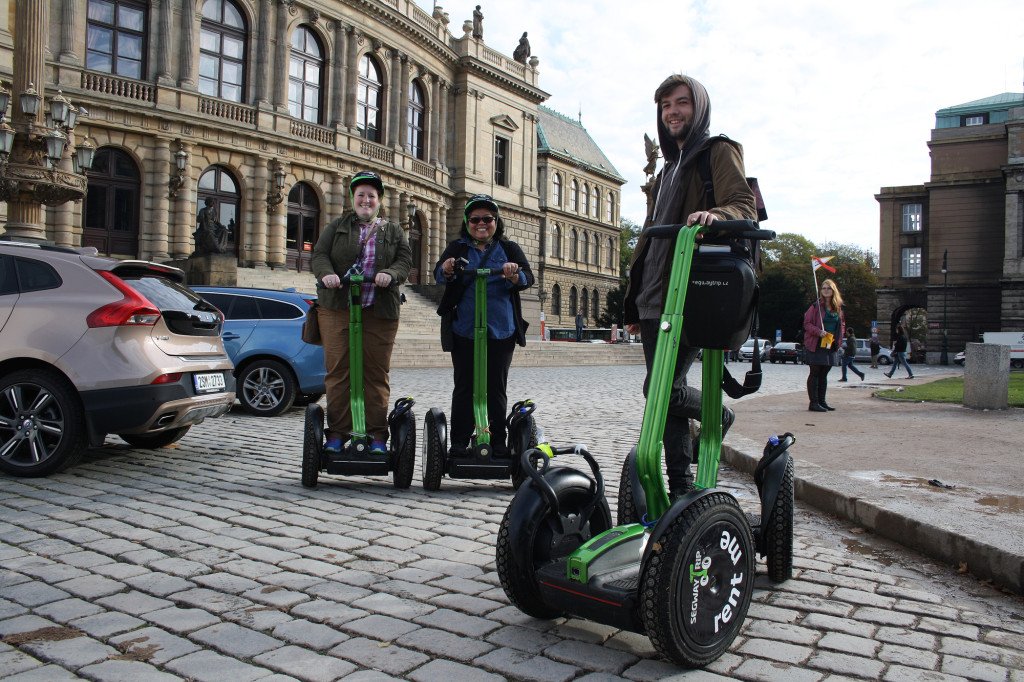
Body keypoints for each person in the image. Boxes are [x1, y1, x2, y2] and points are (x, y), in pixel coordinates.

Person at [622, 74, 757, 498]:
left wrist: (715, 215)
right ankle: (680, 489)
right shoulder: (665, 172)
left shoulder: (716, 151)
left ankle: (717, 417)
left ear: (698, 107)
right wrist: (633, 303)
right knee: (665, 405)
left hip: (690, 292)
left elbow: (744, 204)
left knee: (660, 389)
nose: (673, 112)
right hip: (652, 296)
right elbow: (649, 236)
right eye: (665, 106)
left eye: (681, 103)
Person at [312, 171, 412, 454]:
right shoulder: (337, 226)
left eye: (371, 195)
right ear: (353, 199)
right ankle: (338, 433)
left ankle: (377, 435)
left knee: (375, 373)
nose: (366, 200)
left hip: (379, 309)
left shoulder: (393, 231)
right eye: (361, 195)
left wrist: (390, 274)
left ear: (379, 200)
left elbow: (405, 260)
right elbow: (319, 254)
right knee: (339, 371)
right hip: (338, 308)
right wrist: (328, 274)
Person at [435, 195, 533, 457]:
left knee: (496, 387)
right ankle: (458, 443)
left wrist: (514, 274)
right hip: (465, 328)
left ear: (495, 222)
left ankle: (498, 443)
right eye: (475, 219)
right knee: (465, 385)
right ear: (467, 222)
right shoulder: (457, 248)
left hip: (501, 329)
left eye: (487, 219)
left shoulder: (508, 248)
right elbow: (438, 275)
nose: (481, 223)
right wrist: (445, 268)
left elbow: (527, 278)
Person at [803, 278, 846, 412]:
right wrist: (818, 332)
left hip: (830, 344)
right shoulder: (815, 306)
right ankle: (813, 403)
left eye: (828, 288)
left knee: (824, 373)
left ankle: (822, 401)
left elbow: (842, 325)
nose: (826, 290)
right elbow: (807, 324)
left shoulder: (838, 307)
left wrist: (838, 341)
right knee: (815, 372)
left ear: (833, 290)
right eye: (823, 288)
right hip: (816, 343)